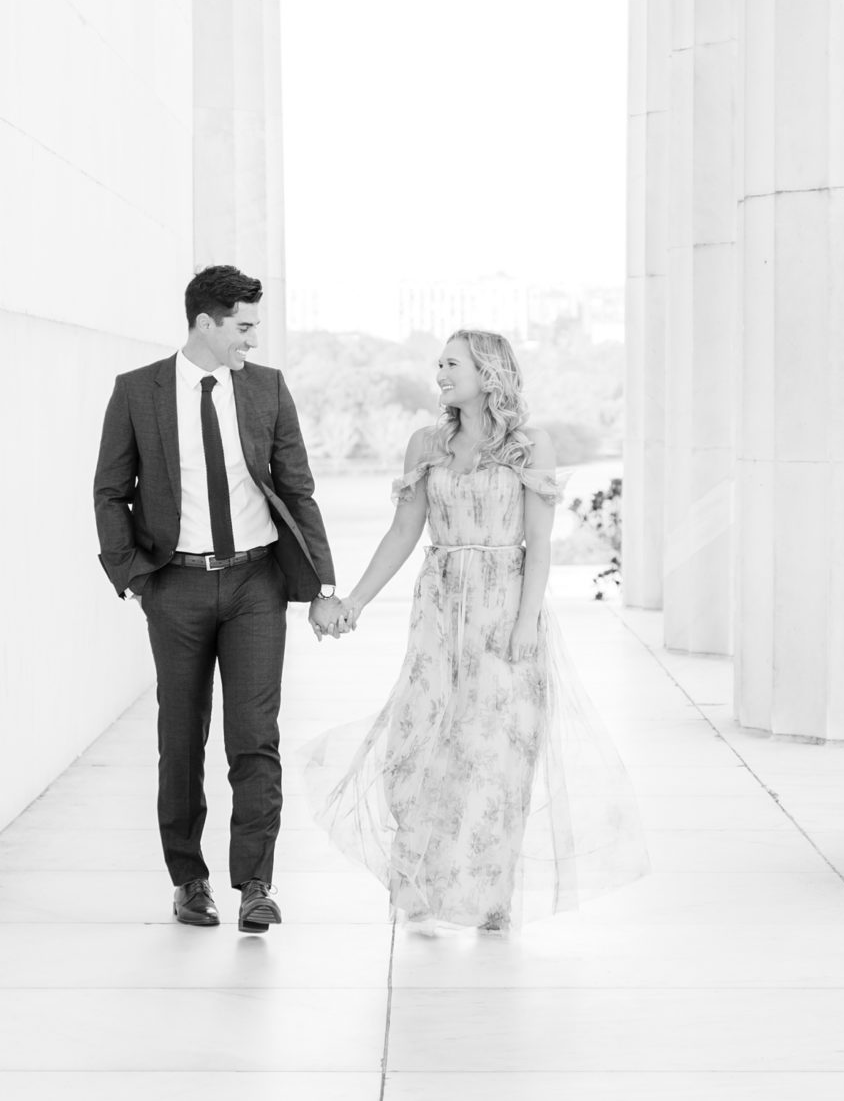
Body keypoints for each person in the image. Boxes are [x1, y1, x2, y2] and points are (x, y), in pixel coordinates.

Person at [300, 328, 647, 929]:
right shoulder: (426, 444)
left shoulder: (529, 446)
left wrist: (525, 624)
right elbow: (404, 532)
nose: (439, 372)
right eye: (438, 363)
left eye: (451, 363)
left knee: (496, 758)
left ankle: (490, 901)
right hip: (438, 611)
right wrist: (354, 599)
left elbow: (539, 545)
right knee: (418, 746)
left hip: (505, 609)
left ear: (489, 373)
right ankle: (417, 885)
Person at [91, 263, 347, 932]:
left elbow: (298, 489)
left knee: (254, 739)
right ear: (204, 323)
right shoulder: (138, 392)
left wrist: (321, 584)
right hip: (174, 585)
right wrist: (138, 578)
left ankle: (256, 883)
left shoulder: (265, 390)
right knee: (181, 739)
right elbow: (109, 491)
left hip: (257, 584)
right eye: (243, 326)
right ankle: (189, 880)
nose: (251, 340)